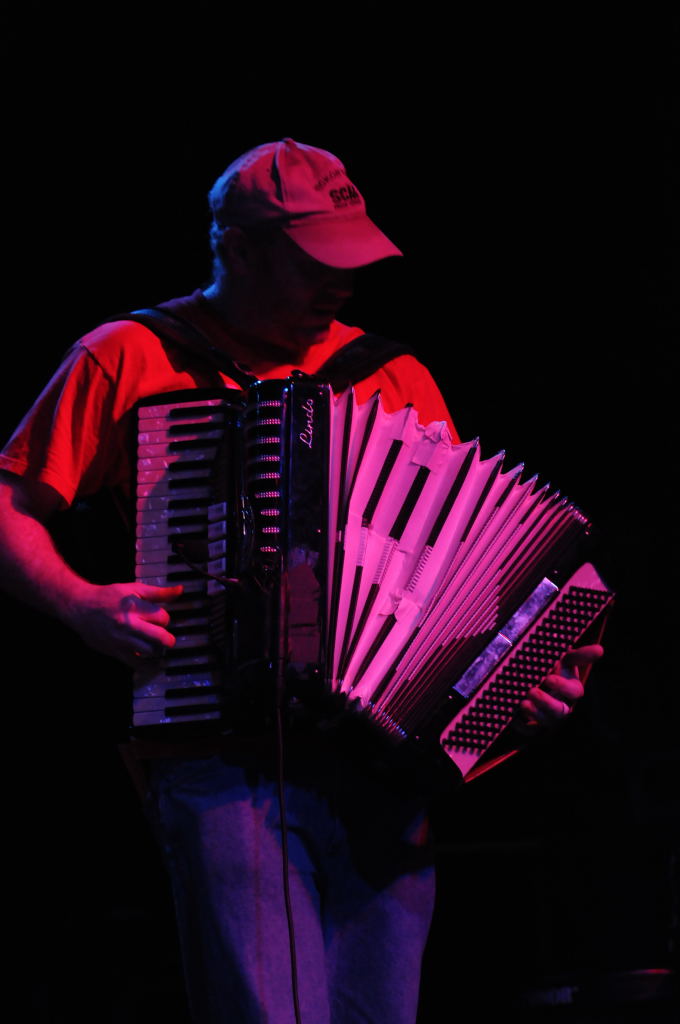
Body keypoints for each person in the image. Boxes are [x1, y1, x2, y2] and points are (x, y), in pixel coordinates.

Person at [0, 138, 601, 1023]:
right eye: (317, 262)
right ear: (238, 250)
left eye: (352, 260)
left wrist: (515, 682)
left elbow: (457, 574)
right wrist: (81, 602)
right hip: (218, 754)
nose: (343, 284)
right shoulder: (129, 356)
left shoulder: (392, 374)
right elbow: (10, 505)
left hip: (380, 771)